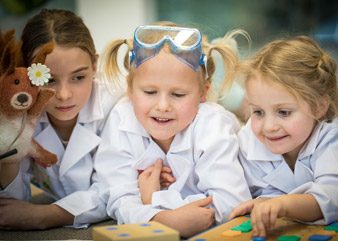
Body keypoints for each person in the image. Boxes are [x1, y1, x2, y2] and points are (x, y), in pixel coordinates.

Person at [94, 22, 252, 238]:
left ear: (202, 93)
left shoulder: (213, 124)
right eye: (150, 92)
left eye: (178, 95)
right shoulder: (122, 115)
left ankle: (234, 96)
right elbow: (116, 194)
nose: (163, 106)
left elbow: (230, 203)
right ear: (130, 89)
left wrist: (154, 200)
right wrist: (159, 220)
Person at [0, 8, 124, 230]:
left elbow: (118, 190)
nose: (64, 94)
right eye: (48, 79)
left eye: (78, 77)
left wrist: (48, 215)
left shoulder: (117, 103)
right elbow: (13, 207)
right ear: (26, 73)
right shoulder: (18, 110)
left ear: (95, 66)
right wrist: (7, 151)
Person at [228, 35, 338, 237]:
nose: (269, 127)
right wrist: (265, 202)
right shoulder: (247, 141)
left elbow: (332, 196)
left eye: (284, 112)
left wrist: (282, 204)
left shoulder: (332, 138)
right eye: (258, 112)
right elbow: (259, 193)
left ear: (320, 106)